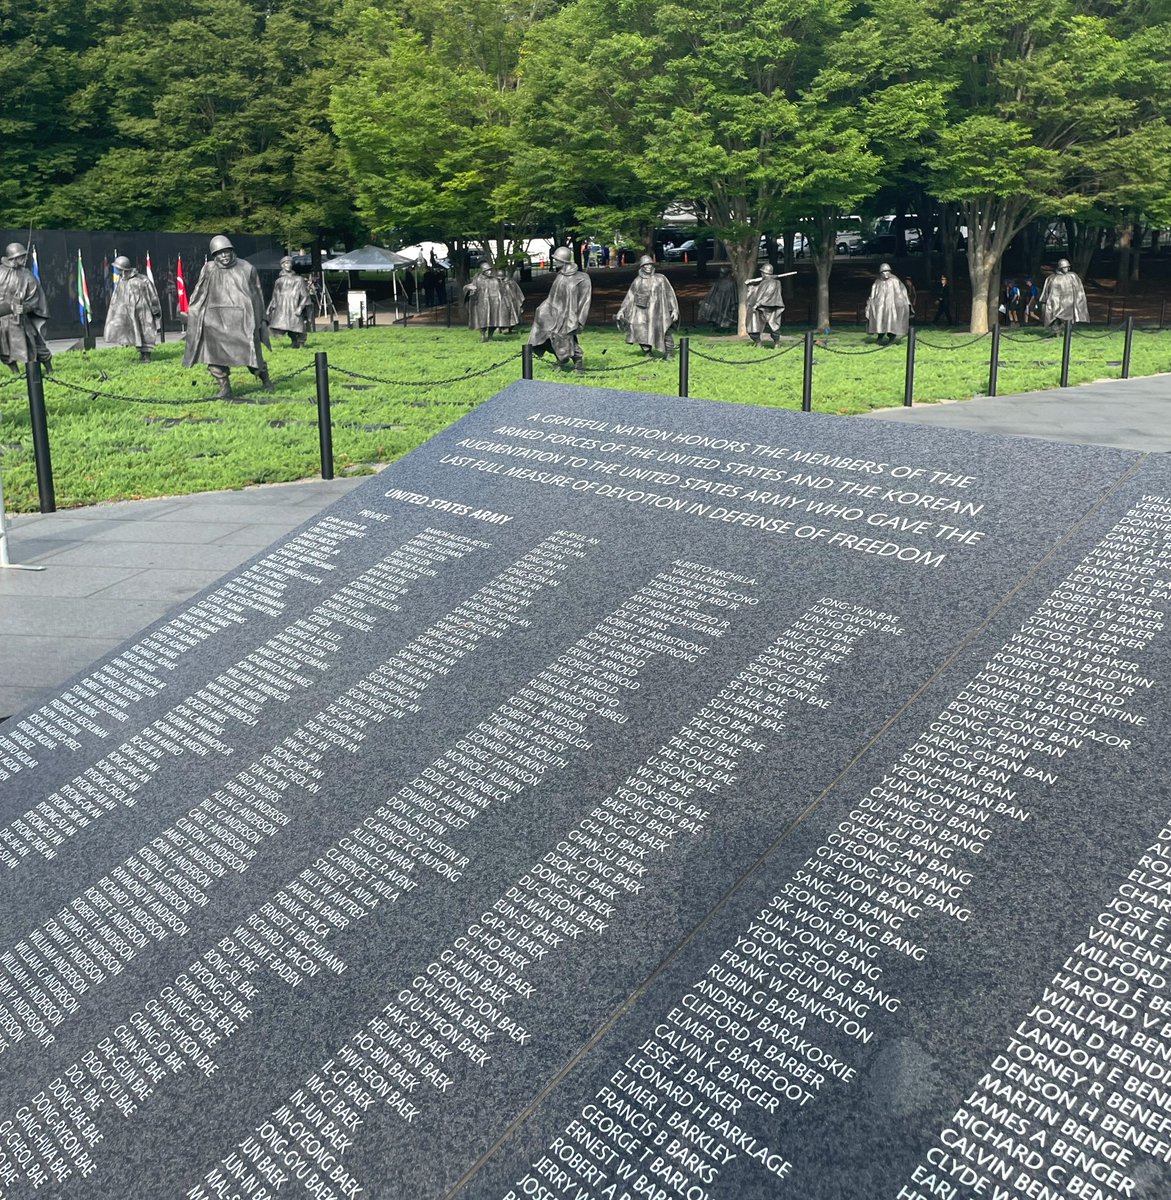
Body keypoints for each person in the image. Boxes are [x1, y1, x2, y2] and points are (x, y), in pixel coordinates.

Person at [182, 234, 272, 398]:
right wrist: (193, 312)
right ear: (214, 255)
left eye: (226, 251)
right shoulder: (209, 269)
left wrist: (260, 320)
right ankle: (225, 388)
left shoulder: (246, 268)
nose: (224, 256)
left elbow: (257, 295)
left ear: (232, 251)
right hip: (215, 320)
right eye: (219, 253)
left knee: (250, 355)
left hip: (241, 320)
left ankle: (265, 379)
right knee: (213, 357)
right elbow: (199, 292)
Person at [528, 245, 591, 371]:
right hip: (554, 314)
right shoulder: (560, 276)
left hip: (569, 316)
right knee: (548, 336)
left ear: (564, 261)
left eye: (557, 260)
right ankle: (561, 359)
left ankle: (576, 363)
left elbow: (585, 301)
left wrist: (579, 320)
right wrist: (542, 309)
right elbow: (552, 297)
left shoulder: (581, 278)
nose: (555, 262)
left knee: (564, 338)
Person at [0, 242, 52, 374]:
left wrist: (25, 307)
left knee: (35, 345)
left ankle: (49, 370)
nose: (24, 259)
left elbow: (36, 297)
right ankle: (15, 373)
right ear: (13, 258)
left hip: (21, 319)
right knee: (5, 350)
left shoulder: (27, 274)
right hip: (3, 320)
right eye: (21, 257)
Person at [616, 254, 678, 358]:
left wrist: (674, 309)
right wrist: (621, 310)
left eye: (650, 264)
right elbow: (630, 297)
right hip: (642, 311)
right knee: (640, 330)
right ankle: (647, 352)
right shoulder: (637, 281)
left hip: (659, 311)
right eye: (645, 265)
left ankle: (668, 353)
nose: (648, 267)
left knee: (664, 330)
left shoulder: (661, 279)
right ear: (642, 267)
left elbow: (670, 294)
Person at [104, 254, 162, 361]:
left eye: (119, 269)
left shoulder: (142, 280)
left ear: (124, 269)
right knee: (134, 332)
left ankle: (146, 355)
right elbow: (117, 297)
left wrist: (155, 309)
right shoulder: (121, 281)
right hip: (128, 311)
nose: (118, 271)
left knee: (145, 331)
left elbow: (153, 295)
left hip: (143, 311)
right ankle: (141, 352)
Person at [265, 257, 313, 348]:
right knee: (284, 325)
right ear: (282, 265)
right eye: (286, 263)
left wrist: (300, 308)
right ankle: (294, 341)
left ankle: (301, 343)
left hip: (294, 306)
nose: (289, 265)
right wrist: (270, 309)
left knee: (298, 326)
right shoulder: (278, 281)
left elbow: (305, 295)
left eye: (290, 263)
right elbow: (275, 296)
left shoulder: (299, 279)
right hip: (282, 308)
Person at [865, 262, 911, 344]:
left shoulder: (894, 280)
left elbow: (899, 293)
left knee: (891, 321)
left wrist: (901, 302)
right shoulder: (877, 282)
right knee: (879, 321)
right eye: (884, 271)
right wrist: (869, 305)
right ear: (881, 272)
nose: (886, 273)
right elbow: (872, 295)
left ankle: (892, 337)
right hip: (880, 305)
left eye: (888, 271)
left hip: (891, 305)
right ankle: (880, 336)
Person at [744, 263, 785, 346]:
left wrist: (758, 304)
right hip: (759, 308)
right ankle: (758, 342)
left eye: (762, 272)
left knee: (773, 327)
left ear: (764, 273)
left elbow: (768, 294)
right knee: (753, 326)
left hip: (770, 307)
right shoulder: (762, 282)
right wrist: (751, 283)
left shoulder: (774, 283)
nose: (761, 274)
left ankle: (777, 343)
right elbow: (756, 292)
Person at [1040, 259, 1088, 328]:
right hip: (1056, 303)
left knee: (1068, 322)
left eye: (1068, 267)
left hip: (1069, 304)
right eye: (1065, 267)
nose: (1067, 269)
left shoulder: (1072, 276)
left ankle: (1066, 329)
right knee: (1055, 321)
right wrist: (1044, 302)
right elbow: (1046, 292)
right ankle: (1056, 328)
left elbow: (1079, 290)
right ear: (1060, 267)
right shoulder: (1051, 278)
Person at [464, 264, 504, 340]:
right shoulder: (478, 280)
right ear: (483, 271)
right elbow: (469, 287)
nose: (489, 272)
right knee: (483, 320)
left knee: (493, 320)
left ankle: (490, 336)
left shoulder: (494, 280)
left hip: (494, 303)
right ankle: (483, 335)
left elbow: (501, 290)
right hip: (482, 303)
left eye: (490, 270)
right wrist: (468, 288)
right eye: (487, 270)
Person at [698, 266, 738, 332]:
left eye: (722, 273)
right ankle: (716, 323)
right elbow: (712, 292)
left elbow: (734, 295)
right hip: (717, 301)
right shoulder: (718, 282)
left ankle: (724, 325)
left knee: (725, 310)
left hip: (728, 302)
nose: (720, 274)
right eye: (720, 273)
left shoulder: (732, 283)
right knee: (709, 307)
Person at [498, 267, 524, 333]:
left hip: (511, 302)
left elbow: (517, 292)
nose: (501, 280)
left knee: (512, 315)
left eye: (502, 278)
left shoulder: (511, 283)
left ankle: (509, 328)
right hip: (501, 303)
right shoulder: (496, 284)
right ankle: (501, 328)